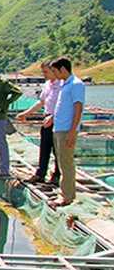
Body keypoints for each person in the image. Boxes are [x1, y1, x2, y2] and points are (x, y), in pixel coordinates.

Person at [16, 59, 61, 184]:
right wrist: (26, 113)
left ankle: (57, 175)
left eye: (46, 72)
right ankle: (41, 173)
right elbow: (41, 102)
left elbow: (64, 105)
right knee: (44, 147)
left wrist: (53, 117)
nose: (44, 75)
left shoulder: (62, 84)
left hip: (57, 119)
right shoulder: (48, 84)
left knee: (57, 149)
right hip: (46, 118)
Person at [49, 56, 85, 206]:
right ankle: (66, 191)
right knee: (61, 161)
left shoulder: (76, 84)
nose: (54, 75)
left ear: (63, 69)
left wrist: (72, 131)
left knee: (66, 162)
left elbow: (78, 108)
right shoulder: (65, 84)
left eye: (55, 71)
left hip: (66, 129)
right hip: (59, 127)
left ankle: (67, 196)